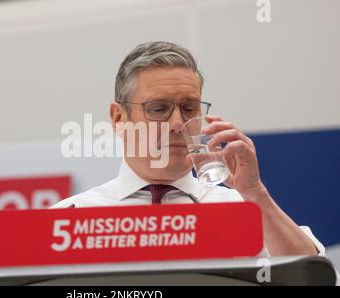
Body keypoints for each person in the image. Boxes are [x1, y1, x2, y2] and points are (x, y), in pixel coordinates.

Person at [52, 41, 324, 257]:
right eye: (158, 109)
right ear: (119, 118)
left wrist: (255, 194)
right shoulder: (69, 219)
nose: (177, 123)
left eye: (189, 108)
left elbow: (313, 279)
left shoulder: (244, 211)